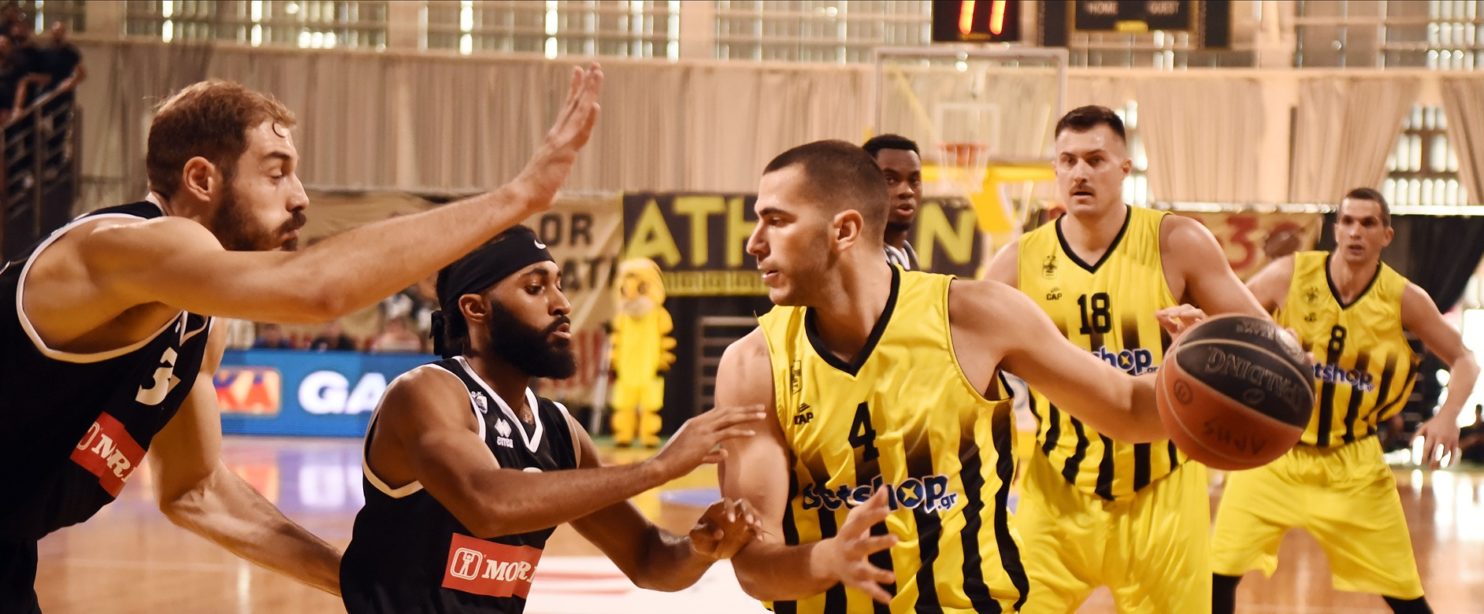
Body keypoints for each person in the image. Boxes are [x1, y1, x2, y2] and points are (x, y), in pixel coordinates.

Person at [0, 65, 604, 612]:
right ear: (202, 178)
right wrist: (518, 198)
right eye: (276, 172)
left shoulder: (200, 320)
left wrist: (364, 586)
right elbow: (317, 290)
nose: (301, 197)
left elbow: (196, 490)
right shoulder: (124, 247)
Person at [714, 140, 1170, 612]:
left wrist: (1199, 376)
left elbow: (1129, 407)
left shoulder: (975, 317)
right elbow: (754, 568)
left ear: (844, 230)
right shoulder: (753, 365)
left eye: (776, 220)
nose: (754, 242)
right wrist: (828, 560)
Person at [341, 227, 763, 612]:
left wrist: (700, 548)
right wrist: (656, 468)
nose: (562, 304)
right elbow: (487, 505)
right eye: (535, 288)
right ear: (476, 308)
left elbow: (649, 559)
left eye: (559, 285)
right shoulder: (425, 392)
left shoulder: (560, 432)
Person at [981, 104, 1268, 613]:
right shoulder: (1017, 263)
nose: (1080, 172)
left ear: (1124, 168)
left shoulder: (1177, 242)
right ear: (1055, 170)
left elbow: (1266, 344)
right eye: (1068, 160)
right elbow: (967, 367)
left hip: (1164, 486)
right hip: (1056, 488)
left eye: (1095, 159)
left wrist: (1210, 343)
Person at [1210, 187, 1479, 614]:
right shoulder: (1289, 275)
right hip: (1276, 454)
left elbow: (1465, 359)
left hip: (1353, 462)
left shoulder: (1403, 297)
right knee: (1217, 574)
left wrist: (1448, 416)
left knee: (1406, 597)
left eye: (1368, 223)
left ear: (1386, 235)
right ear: (1335, 230)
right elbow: (1223, 316)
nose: (1356, 232)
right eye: (1348, 221)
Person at [861, 134, 921, 270]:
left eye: (914, 180)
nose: (907, 191)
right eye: (890, 179)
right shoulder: (852, 262)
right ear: (863, 184)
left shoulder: (909, 256)